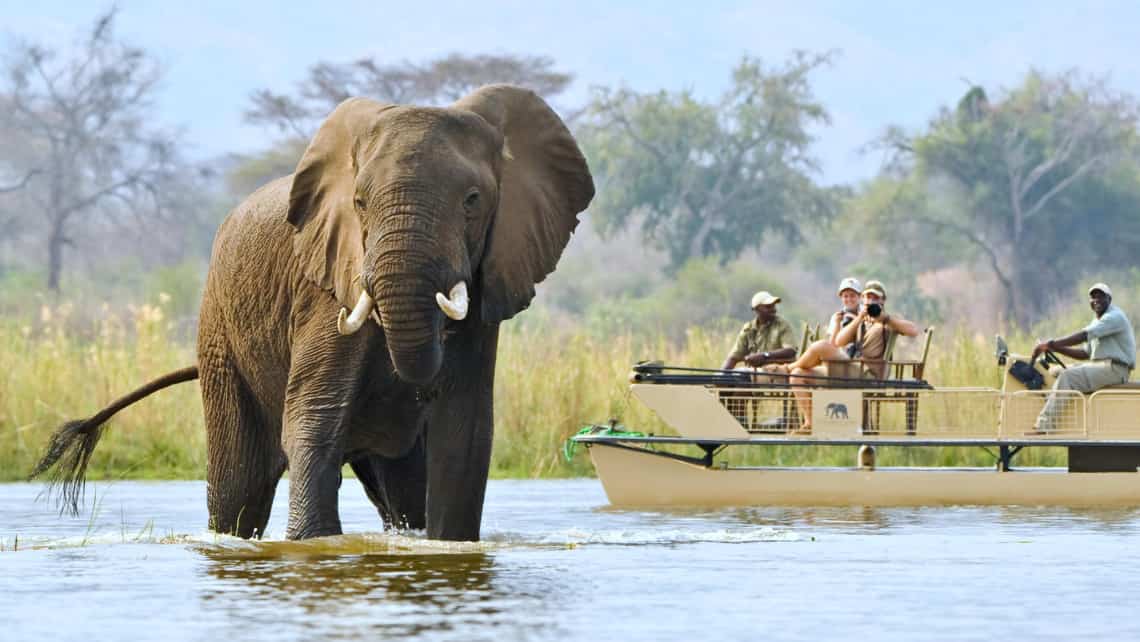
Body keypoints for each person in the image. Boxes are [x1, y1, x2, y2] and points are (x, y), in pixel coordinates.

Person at [772, 280, 919, 431]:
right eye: (868, 297)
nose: (871, 301)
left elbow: (913, 330)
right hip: (854, 369)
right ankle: (810, 423)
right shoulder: (862, 320)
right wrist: (858, 319)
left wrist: (885, 319)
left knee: (821, 346)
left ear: (883, 300)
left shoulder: (889, 321)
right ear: (863, 299)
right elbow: (838, 341)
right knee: (797, 375)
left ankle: (786, 369)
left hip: (869, 374)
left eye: (875, 298)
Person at [1032, 283, 1135, 433]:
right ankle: (1054, 409)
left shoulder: (1114, 317)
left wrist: (1051, 343)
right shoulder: (1097, 322)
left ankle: (1045, 424)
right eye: (1093, 297)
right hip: (1100, 366)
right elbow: (1085, 354)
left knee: (1068, 376)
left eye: (1101, 296)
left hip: (1115, 369)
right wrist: (1054, 347)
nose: (1096, 300)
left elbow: (1084, 336)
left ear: (1109, 299)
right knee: (1056, 371)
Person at [721, 291, 797, 370]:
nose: (774, 310)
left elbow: (790, 351)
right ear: (756, 309)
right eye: (768, 307)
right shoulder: (748, 329)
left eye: (773, 306)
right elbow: (733, 358)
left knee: (742, 372)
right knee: (736, 374)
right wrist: (721, 376)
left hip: (777, 372)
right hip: (755, 373)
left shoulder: (782, 325)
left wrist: (764, 355)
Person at [827, 277, 862, 352]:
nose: (849, 299)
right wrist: (837, 323)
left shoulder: (866, 314)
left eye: (852, 295)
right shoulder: (837, 317)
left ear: (859, 296)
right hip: (842, 356)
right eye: (845, 296)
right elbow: (832, 346)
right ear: (841, 297)